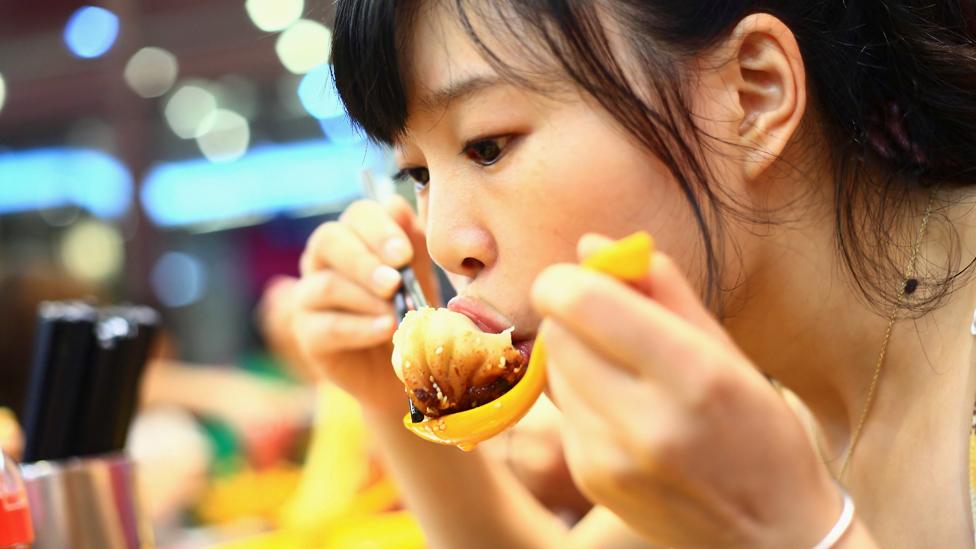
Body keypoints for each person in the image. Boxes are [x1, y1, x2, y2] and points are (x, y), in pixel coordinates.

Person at [294, 1, 976, 547]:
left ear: (753, 94)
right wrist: (395, 402)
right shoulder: (785, 407)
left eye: (488, 146)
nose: (443, 243)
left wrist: (806, 532)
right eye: (418, 171)